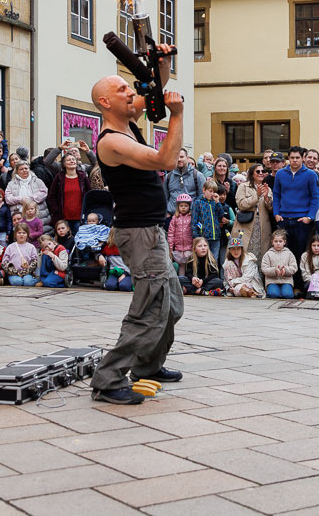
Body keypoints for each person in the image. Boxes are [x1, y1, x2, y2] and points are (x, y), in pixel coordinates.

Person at [86, 66, 186, 406]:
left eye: (130, 88)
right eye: (122, 90)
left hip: (151, 229)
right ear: (105, 102)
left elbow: (155, 92)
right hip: (139, 233)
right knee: (151, 309)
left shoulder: (127, 122)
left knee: (171, 305)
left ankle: (147, 366)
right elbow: (166, 159)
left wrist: (163, 64)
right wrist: (177, 116)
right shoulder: (112, 140)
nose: (131, 93)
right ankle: (108, 379)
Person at [273, 147, 319, 260]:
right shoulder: (280, 174)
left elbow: (316, 197)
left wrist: (309, 216)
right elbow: (276, 195)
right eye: (292, 157)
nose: (294, 160)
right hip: (283, 219)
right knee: (283, 253)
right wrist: (276, 213)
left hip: (302, 220)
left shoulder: (311, 175)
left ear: (303, 158)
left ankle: (300, 273)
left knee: (301, 253)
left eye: (297, 157)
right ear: (288, 158)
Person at [233, 164, 274, 263]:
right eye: (258, 171)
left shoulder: (267, 188)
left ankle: (259, 273)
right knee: (245, 253)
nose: (261, 173)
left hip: (263, 224)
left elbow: (271, 209)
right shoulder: (243, 186)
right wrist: (257, 195)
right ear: (251, 174)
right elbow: (241, 204)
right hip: (246, 225)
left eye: (263, 171)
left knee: (261, 253)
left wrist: (266, 198)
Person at [6, 160, 51, 231]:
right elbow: (8, 198)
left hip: (38, 214)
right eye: (21, 169)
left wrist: (31, 199)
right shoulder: (11, 184)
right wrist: (20, 200)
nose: (24, 170)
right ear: (17, 171)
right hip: (19, 215)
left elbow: (44, 192)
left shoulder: (37, 181)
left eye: (26, 168)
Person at [223, 231, 264, 298]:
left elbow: (247, 278)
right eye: (233, 249)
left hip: (250, 283)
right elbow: (226, 279)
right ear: (230, 250)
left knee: (239, 288)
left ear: (242, 249)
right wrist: (228, 287)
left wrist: (233, 282)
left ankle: (253, 293)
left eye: (238, 249)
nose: (236, 251)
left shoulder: (248, 260)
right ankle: (235, 290)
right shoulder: (227, 262)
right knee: (229, 264)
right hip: (233, 284)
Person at [261, 230, 297, 299]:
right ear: (272, 242)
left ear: (284, 242)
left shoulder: (289, 253)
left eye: (280, 241)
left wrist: (285, 270)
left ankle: (283, 293)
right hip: (272, 281)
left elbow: (294, 267)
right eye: (276, 241)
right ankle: (273, 292)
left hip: (286, 281)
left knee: (287, 295)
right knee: (273, 295)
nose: (278, 243)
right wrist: (274, 270)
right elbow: (264, 269)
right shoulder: (268, 254)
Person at [167, 195, 195, 270]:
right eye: (181, 206)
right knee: (181, 267)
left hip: (189, 248)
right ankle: (181, 277)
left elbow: (194, 232)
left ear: (189, 207)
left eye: (186, 206)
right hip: (178, 249)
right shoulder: (175, 218)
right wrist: (170, 247)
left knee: (190, 266)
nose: (183, 208)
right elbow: (171, 234)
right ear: (178, 207)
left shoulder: (191, 217)